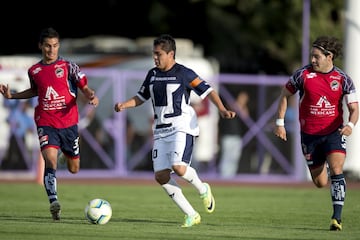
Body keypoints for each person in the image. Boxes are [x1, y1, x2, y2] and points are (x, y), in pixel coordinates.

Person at [114, 34, 236, 227]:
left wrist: (221, 109)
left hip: (182, 127)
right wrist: (124, 105)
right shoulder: (152, 74)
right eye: (154, 54)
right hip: (160, 131)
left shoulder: (184, 73)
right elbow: (141, 96)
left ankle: (203, 188)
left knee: (178, 167)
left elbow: (208, 90)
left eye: (159, 54)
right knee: (161, 176)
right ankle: (191, 214)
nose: (155, 57)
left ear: (171, 54)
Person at [0, 27, 99, 221]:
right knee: (50, 160)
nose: (51, 50)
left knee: (74, 168)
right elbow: (35, 91)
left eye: (54, 46)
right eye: (47, 46)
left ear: (58, 46)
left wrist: (91, 96)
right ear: (40, 46)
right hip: (46, 121)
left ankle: (64, 156)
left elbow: (84, 87)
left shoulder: (69, 66)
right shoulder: (34, 70)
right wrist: (13, 96)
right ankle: (53, 202)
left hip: (69, 123)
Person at [273, 36, 359, 231]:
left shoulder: (344, 79)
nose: (312, 60)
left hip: (333, 133)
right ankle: (326, 171)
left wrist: (350, 126)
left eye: (316, 56)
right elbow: (285, 95)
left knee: (337, 169)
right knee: (320, 182)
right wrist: (280, 123)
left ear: (330, 56)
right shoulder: (302, 75)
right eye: (312, 56)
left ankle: (336, 218)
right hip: (310, 136)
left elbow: (354, 109)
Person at [218, 91, 249, 178]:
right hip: (227, 136)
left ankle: (231, 177)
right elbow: (234, 107)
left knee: (234, 158)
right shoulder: (231, 104)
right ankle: (224, 177)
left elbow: (245, 116)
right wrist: (240, 102)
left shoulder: (242, 108)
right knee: (226, 157)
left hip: (237, 136)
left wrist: (243, 104)